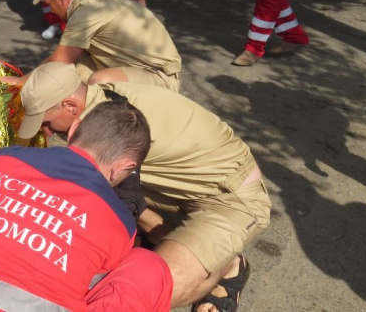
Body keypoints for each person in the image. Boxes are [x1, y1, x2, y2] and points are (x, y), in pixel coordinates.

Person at [17, 62, 271, 312]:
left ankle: (227, 265)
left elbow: (117, 206)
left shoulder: (109, 131)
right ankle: (172, 239)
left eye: (47, 123)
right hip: (181, 181)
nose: (47, 132)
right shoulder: (98, 95)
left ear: (71, 106)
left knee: (144, 293)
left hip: (232, 197)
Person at [0, 101, 173, 311]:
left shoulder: (2, 158)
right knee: (148, 266)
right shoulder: (119, 220)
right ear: (124, 167)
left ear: (74, 130)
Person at [1, 0, 181, 92]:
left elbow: (59, 59)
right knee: (72, 73)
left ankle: (109, 134)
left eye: (50, 4)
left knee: (97, 81)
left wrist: (21, 81)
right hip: (144, 68)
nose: (52, 11)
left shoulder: (85, 12)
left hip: (159, 78)